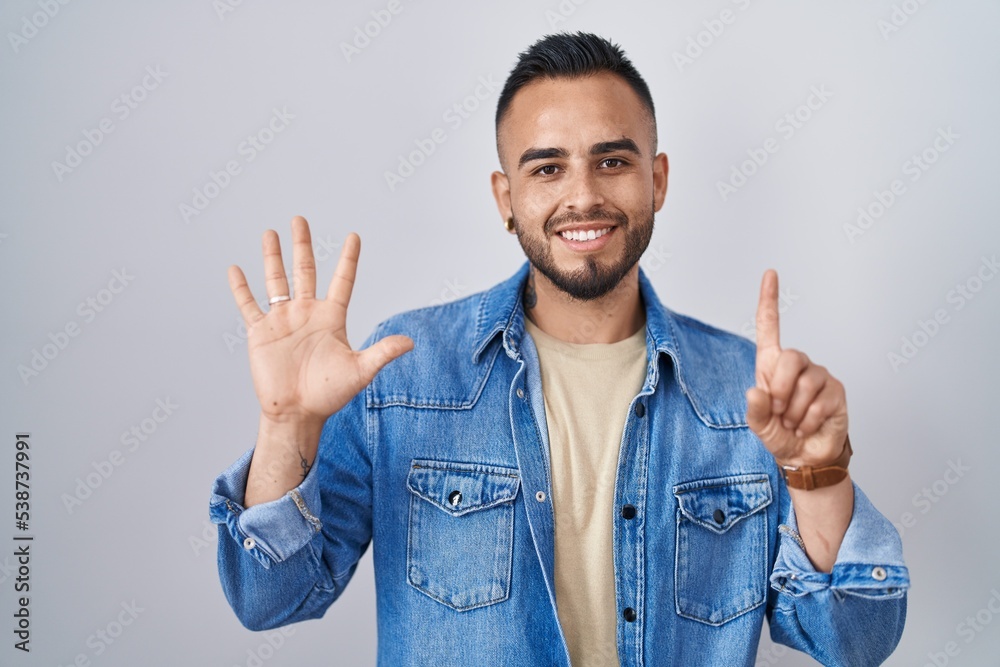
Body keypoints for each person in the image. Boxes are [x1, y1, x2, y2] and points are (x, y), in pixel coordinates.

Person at [210, 32, 909, 666]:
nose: (583, 195)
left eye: (612, 160)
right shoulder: (406, 373)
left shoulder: (748, 395)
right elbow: (269, 599)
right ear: (505, 196)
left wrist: (819, 474)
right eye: (547, 169)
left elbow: (855, 640)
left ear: (657, 180)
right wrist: (287, 425)